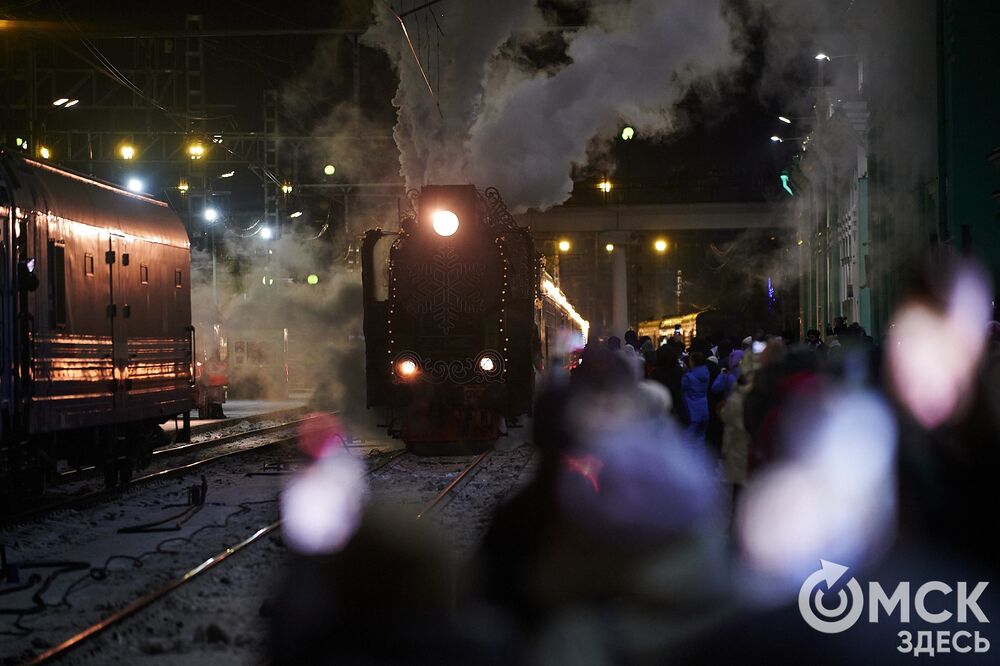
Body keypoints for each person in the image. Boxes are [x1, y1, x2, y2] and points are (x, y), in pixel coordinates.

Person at [681, 351, 710, 443]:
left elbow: (682, 388)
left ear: (693, 362)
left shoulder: (688, 376)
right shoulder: (706, 373)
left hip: (692, 409)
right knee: (701, 438)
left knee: (688, 439)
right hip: (704, 407)